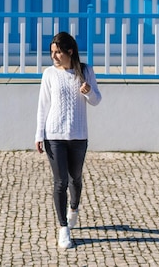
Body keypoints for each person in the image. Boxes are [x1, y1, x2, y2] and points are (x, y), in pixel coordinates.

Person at [35, 31, 102, 249]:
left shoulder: (85, 71)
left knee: (76, 179)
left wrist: (89, 92)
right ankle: (63, 228)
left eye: (58, 52)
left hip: (78, 136)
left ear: (70, 51)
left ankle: (74, 207)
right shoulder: (49, 74)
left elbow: (96, 101)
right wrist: (39, 134)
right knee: (60, 181)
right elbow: (43, 105)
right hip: (54, 135)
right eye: (52, 52)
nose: (54, 57)